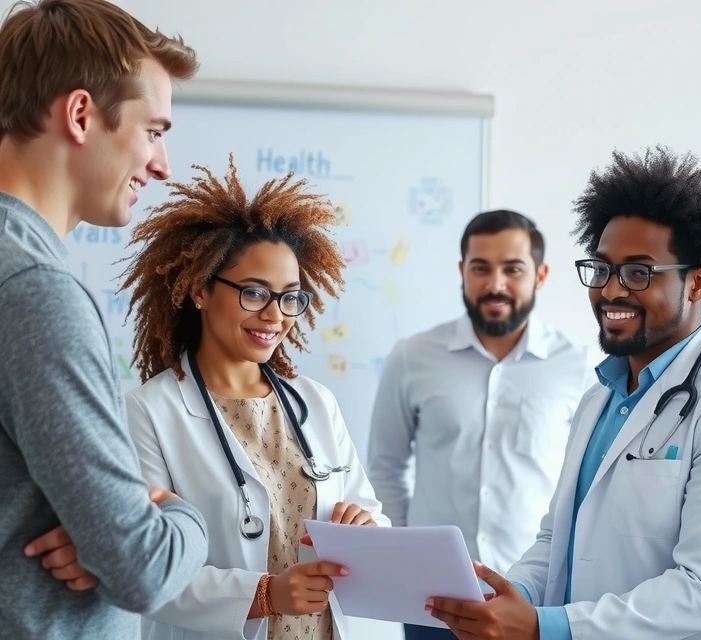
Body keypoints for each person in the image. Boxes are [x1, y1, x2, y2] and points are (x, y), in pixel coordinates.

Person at [426, 147, 701, 639]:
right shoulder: (600, 396)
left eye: (639, 272)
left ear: (700, 282)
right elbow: (558, 537)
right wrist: (508, 595)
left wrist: (545, 626)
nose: (611, 290)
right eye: (601, 269)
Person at [0, 1, 208, 637]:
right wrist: (180, 515)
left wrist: (107, 532)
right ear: (82, 114)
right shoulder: (35, 290)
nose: (163, 164)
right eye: (153, 131)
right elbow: (141, 566)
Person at [117, 158, 390, 640]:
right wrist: (265, 595)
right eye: (254, 293)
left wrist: (366, 530)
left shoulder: (314, 403)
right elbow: (148, 562)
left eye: (290, 297)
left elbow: (369, 515)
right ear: (201, 289)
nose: (276, 315)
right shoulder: (150, 411)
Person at [367, 209, 594, 640]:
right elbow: (386, 469)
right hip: (431, 600)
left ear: (540, 275)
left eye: (513, 269)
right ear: (462, 272)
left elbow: (585, 485)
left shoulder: (579, 366)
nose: (496, 284)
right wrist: (400, 564)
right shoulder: (412, 358)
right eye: (481, 268)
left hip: (534, 601)